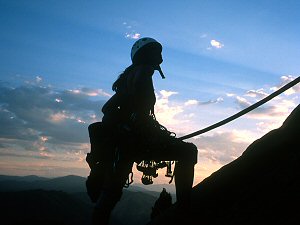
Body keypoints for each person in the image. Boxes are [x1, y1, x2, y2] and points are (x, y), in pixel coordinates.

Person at [91, 37, 198, 225]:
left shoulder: (132, 75)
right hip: (135, 140)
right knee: (188, 151)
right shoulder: (142, 73)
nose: (161, 57)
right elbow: (121, 109)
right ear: (145, 55)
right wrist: (140, 126)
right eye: (157, 52)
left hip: (125, 143)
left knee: (111, 194)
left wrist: (128, 124)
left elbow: (110, 109)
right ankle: (184, 209)